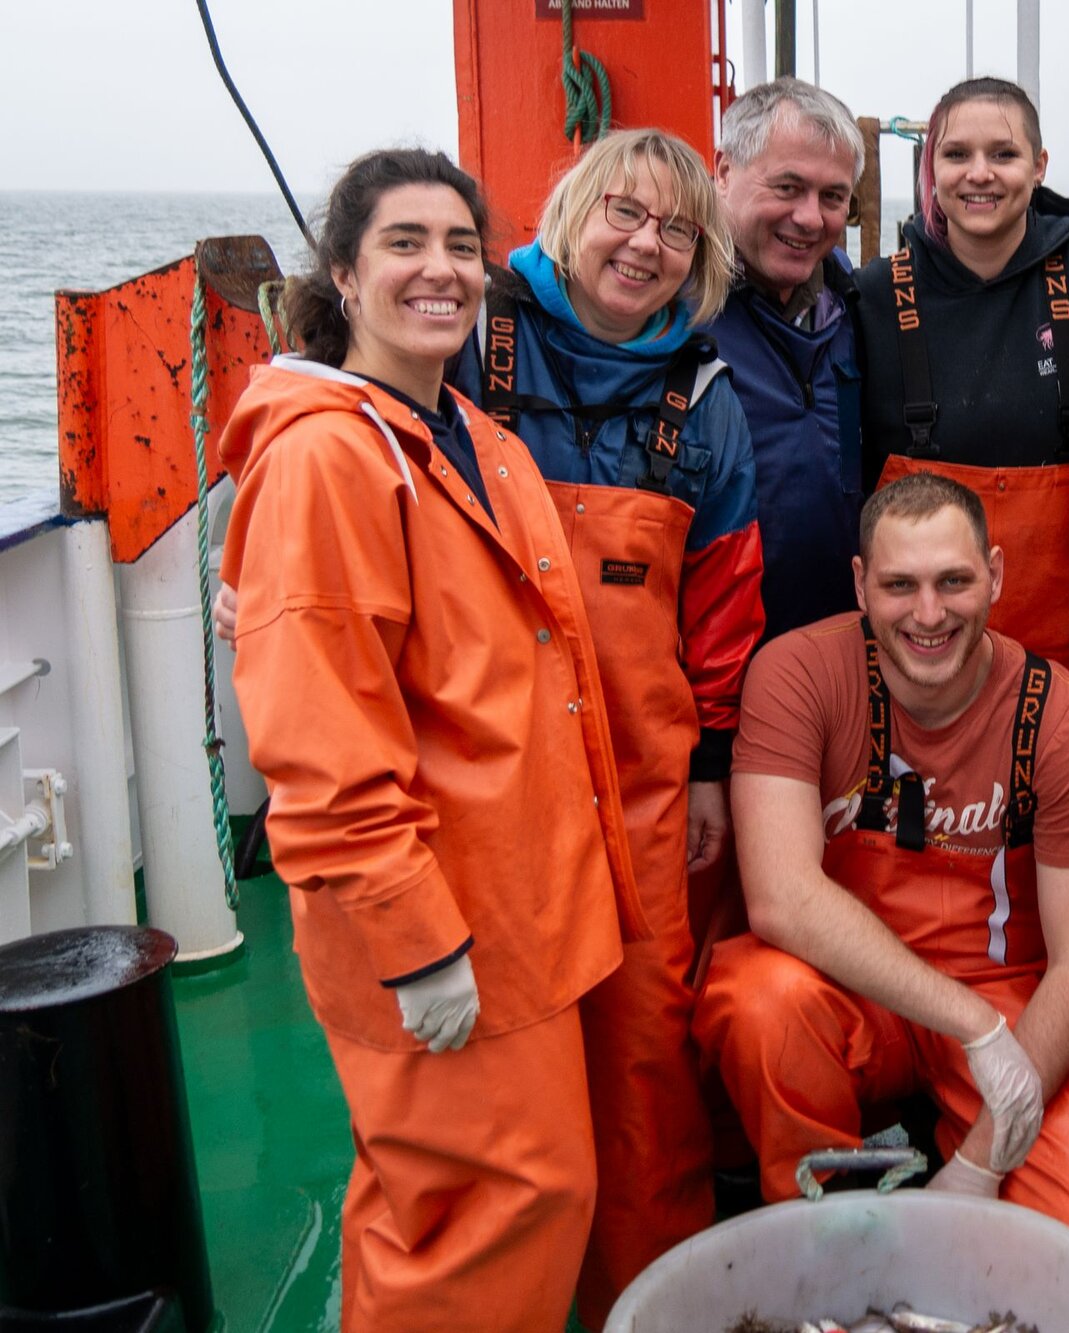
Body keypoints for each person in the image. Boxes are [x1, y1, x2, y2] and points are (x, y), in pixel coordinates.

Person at [219, 149, 646, 1333]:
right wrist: (415, 945)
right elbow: (319, 740)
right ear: (344, 276)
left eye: (461, 245)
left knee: (447, 1205)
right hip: (440, 923)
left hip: (516, 910)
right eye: (404, 244)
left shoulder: (463, 434)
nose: (440, 269)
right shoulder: (326, 455)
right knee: (493, 1213)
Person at [690, 472, 1069, 1287]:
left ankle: (948, 1149)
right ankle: (831, 1230)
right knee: (757, 997)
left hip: (1006, 996)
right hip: (848, 991)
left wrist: (981, 1167)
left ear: (995, 574)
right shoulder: (797, 673)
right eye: (899, 585)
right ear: (858, 584)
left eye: (953, 580)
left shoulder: (1057, 716)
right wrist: (969, 1025)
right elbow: (779, 896)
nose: (927, 614)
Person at [449, 127, 765, 1327]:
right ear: (567, 211)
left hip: (643, 780)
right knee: (505, 1050)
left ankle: (651, 1298)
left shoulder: (705, 398)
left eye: (676, 230)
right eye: (623, 214)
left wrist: (711, 775)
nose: (645, 245)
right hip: (487, 776)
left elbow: (725, 612)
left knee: (645, 1047)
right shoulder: (468, 343)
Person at [852, 77, 1069, 671]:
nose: (979, 173)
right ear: (931, 168)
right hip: (922, 648)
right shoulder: (873, 296)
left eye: (1003, 154)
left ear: (1039, 166)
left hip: (1068, 659)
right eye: (957, 155)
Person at [709, 78, 870, 640]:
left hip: (841, 652)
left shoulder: (858, 307)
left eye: (832, 197)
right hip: (714, 667)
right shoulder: (668, 312)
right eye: (787, 187)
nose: (809, 218)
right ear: (724, 172)